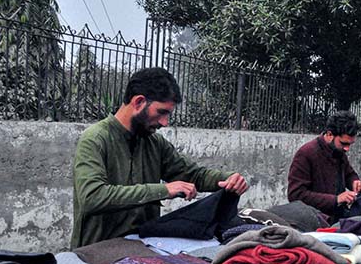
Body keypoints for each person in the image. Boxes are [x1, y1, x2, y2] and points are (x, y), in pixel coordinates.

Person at [72, 68, 248, 248]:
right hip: (96, 253)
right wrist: (163, 190)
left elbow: (192, 175)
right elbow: (92, 197)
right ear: (139, 102)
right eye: (161, 112)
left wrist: (227, 179)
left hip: (142, 248)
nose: (165, 123)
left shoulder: (155, 143)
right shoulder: (95, 139)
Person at [288, 111, 361, 222]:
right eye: (344, 143)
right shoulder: (306, 153)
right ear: (329, 135)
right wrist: (336, 199)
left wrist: (355, 182)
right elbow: (295, 195)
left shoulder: (339, 152)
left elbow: (349, 174)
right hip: (314, 222)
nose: (347, 149)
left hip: (338, 218)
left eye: (350, 144)